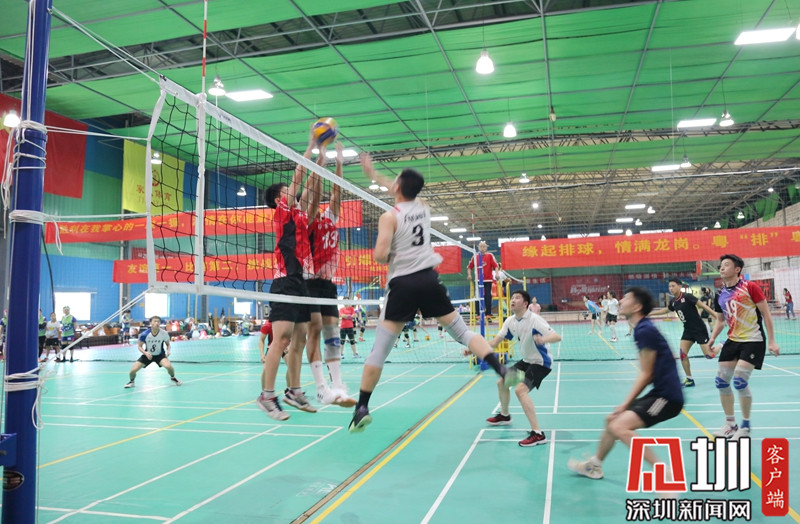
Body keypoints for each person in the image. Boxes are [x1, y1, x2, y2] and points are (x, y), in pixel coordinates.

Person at [348, 153, 523, 433]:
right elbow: (401, 190)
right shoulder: (423, 208)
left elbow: (380, 255)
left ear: (397, 187)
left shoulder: (389, 217)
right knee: (463, 332)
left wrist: (393, 248)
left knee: (380, 348)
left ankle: (362, 408)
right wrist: (374, 175)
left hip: (403, 284)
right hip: (429, 280)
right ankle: (501, 369)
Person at [568, 287, 684, 480]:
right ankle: (594, 466)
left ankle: (664, 474)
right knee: (611, 421)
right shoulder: (642, 328)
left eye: (627, 298)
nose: (621, 301)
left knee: (619, 427)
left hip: (667, 398)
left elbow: (646, 374)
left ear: (637, 307)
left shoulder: (645, 330)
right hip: (659, 393)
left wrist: (625, 404)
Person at [255, 130, 321, 420]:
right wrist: (310, 147)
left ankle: (294, 390)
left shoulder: (299, 215)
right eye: (286, 190)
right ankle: (267, 395)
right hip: (285, 281)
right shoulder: (282, 211)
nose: (292, 192)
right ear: (279, 198)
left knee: (300, 340)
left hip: (302, 281)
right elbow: (299, 178)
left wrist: (322, 159)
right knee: (280, 340)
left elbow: (312, 188)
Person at [305, 143, 356, 408]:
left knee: (332, 335)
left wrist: (339, 162)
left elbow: (337, 192)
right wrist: (320, 162)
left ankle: (338, 385)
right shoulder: (308, 221)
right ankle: (321, 388)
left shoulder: (330, 219)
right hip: (309, 284)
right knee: (313, 332)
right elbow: (315, 196)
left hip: (328, 286)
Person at [708, 254, 780, 439]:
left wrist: (772, 341)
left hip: (753, 339)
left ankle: (745, 427)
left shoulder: (750, 287)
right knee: (721, 382)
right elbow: (720, 320)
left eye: (726, 265)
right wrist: (712, 338)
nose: (721, 268)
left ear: (737, 269)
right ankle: (730, 424)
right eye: (721, 265)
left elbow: (766, 314)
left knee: (739, 380)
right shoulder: (720, 293)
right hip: (733, 340)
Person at [485, 290, 561, 447]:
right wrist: (474, 348)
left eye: (517, 298)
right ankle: (505, 416)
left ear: (525, 304)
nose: (513, 300)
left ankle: (538, 434)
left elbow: (557, 336)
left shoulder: (535, 320)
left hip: (541, 363)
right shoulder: (510, 321)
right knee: (502, 382)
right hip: (527, 361)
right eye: (512, 298)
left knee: (520, 390)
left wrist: (543, 339)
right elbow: (494, 343)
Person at [650, 278, 717, 387]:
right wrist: (650, 314)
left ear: (680, 286)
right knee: (682, 354)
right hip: (688, 330)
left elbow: (703, 306)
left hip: (699, 329)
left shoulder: (687, 297)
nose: (671, 288)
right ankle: (689, 379)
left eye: (673, 286)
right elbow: (666, 310)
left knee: (709, 355)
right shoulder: (673, 301)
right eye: (669, 286)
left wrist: (716, 316)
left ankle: (722, 344)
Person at [124, 316, 181, 388]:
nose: (157, 323)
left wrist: (168, 351)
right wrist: (145, 353)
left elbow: (168, 344)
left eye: (158, 321)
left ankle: (173, 377)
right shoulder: (145, 334)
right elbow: (139, 346)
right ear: (151, 323)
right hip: (147, 355)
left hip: (160, 355)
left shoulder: (164, 333)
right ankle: (131, 382)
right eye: (155, 321)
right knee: (132, 371)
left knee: (169, 367)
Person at [467, 241, 499, 322]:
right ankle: (478, 314)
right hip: (478, 280)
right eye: (481, 246)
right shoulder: (475, 256)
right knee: (478, 296)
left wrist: (497, 274)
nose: (482, 248)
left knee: (488, 296)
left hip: (488, 280)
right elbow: (469, 267)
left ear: (486, 247)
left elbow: (496, 266)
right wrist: (469, 275)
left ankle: (488, 313)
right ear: (478, 247)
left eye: (484, 246)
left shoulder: (490, 255)